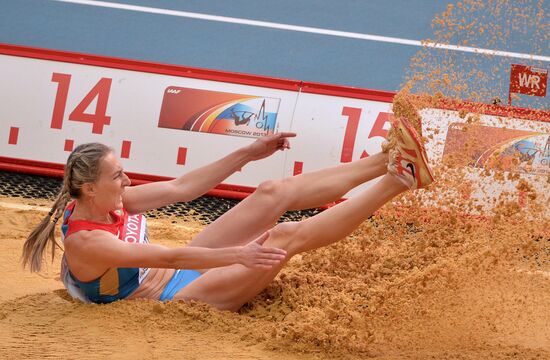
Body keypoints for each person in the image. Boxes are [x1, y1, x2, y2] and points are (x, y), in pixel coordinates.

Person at [22, 116, 434, 311]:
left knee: (272, 192)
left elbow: (185, 188)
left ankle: (385, 159)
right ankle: (400, 180)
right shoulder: (88, 242)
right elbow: (171, 257)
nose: (128, 181)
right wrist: (241, 255)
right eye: (119, 175)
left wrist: (248, 153)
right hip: (176, 299)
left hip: (182, 271)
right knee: (283, 238)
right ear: (90, 188)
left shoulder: (112, 200)